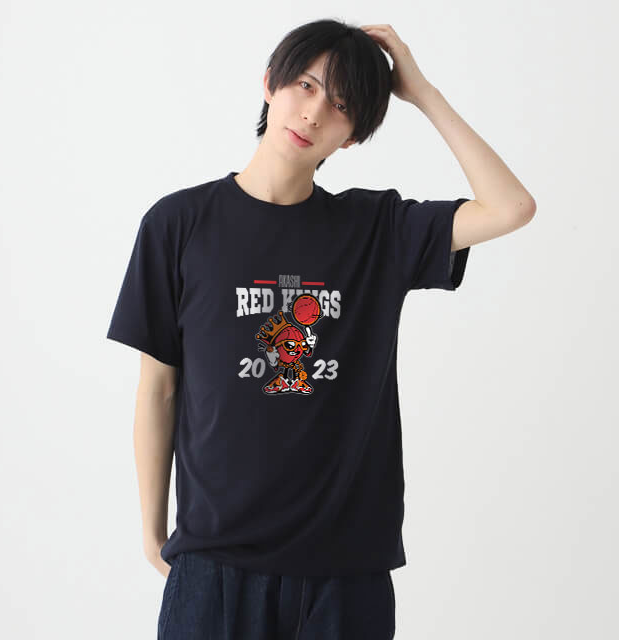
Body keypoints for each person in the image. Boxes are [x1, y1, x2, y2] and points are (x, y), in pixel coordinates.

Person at [106, 18, 536, 640]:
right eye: (305, 86)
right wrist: (152, 529)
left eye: (341, 105)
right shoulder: (178, 224)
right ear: (270, 84)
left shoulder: (375, 230)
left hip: (346, 571)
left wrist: (421, 92)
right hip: (213, 563)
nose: (313, 113)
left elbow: (511, 207)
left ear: (353, 136)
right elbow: (159, 389)